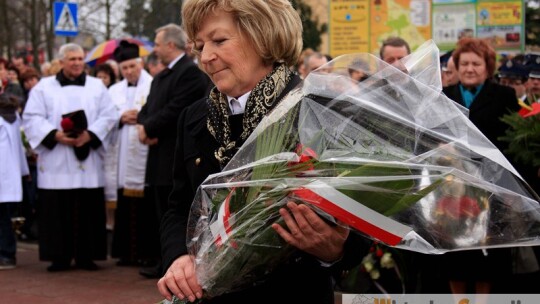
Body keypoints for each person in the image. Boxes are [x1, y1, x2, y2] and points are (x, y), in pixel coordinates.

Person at [157, 1, 364, 303]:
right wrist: (178, 258)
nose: (206, 57)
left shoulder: (317, 109)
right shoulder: (193, 118)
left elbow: (362, 208)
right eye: (199, 46)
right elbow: (176, 206)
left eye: (219, 41)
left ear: (263, 35)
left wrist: (336, 250)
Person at [22, 43, 118, 272]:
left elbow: (109, 115)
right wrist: (54, 134)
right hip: (56, 163)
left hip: (89, 161)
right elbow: (32, 117)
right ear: (62, 61)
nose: (76, 63)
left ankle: (88, 256)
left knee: (88, 210)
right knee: (57, 211)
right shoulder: (44, 88)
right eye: (72, 59)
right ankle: (59, 256)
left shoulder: (97, 87)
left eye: (79, 58)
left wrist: (90, 135)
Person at [441, 37, 520, 296]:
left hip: (493, 189)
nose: (470, 69)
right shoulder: (444, 96)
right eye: (464, 63)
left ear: (487, 67)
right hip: (454, 191)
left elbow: (514, 140)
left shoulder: (504, 96)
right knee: (457, 253)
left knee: (490, 255)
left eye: (476, 63)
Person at [137, 23, 209, 278]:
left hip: (172, 154)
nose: (154, 49)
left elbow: (177, 109)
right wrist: (144, 124)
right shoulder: (162, 76)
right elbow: (148, 107)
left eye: (156, 44)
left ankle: (174, 262)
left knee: (175, 206)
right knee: (160, 210)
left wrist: (150, 128)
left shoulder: (189, 73)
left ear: (170, 44)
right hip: (157, 155)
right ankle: (162, 259)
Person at [105, 40, 160, 266]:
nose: (129, 71)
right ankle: (125, 252)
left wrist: (139, 117)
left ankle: (145, 253)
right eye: (124, 68)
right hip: (121, 154)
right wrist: (119, 118)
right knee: (124, 205)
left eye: (132, 66)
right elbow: (105, 117)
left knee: (145, 206)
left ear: (141, 64)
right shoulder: (112, 90)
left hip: (144, 153)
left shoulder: (153, 84)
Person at [0, 93, 29, 269]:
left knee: (4, 216)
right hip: (9, 173)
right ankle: (7, 253)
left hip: (6, 172)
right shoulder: (12, 115)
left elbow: (18, 145)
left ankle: (6, 254)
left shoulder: (10, 115)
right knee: (4, 215)